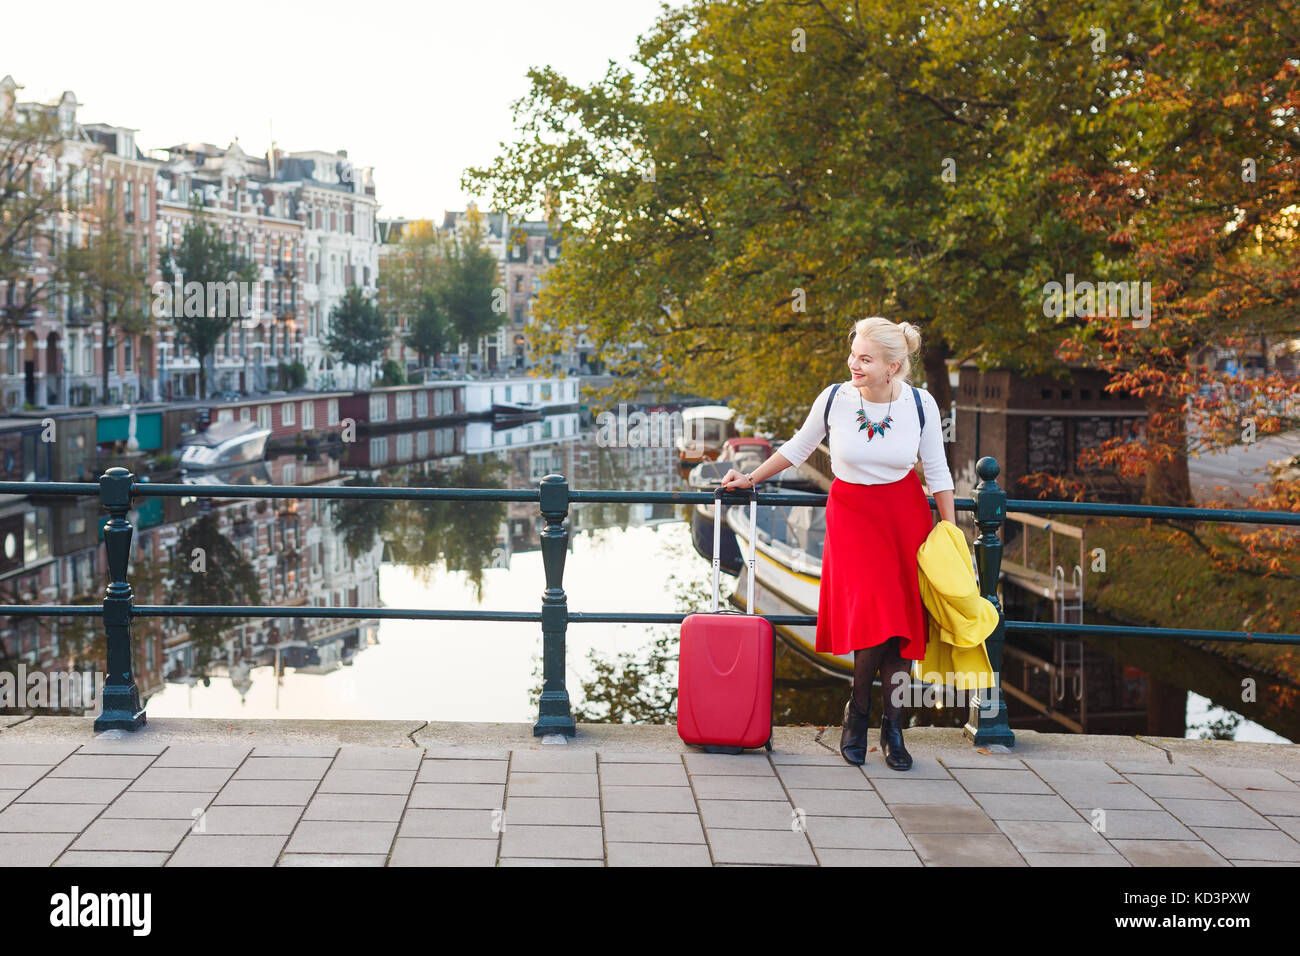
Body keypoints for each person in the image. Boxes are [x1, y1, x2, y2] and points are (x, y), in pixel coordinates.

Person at [720, 316, 956, 770]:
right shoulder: (834, 399)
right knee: (876, 618)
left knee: (900, 627)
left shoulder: (921, 404)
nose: (854, 364)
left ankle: (891, 726)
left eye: (865, 358)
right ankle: (859, 710)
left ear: (893, 366)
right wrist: (748, 478)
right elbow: (797, 448)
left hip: (904, 520)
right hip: (853, 520)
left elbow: (938, 471)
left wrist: (950, 534)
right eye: (853, 354)